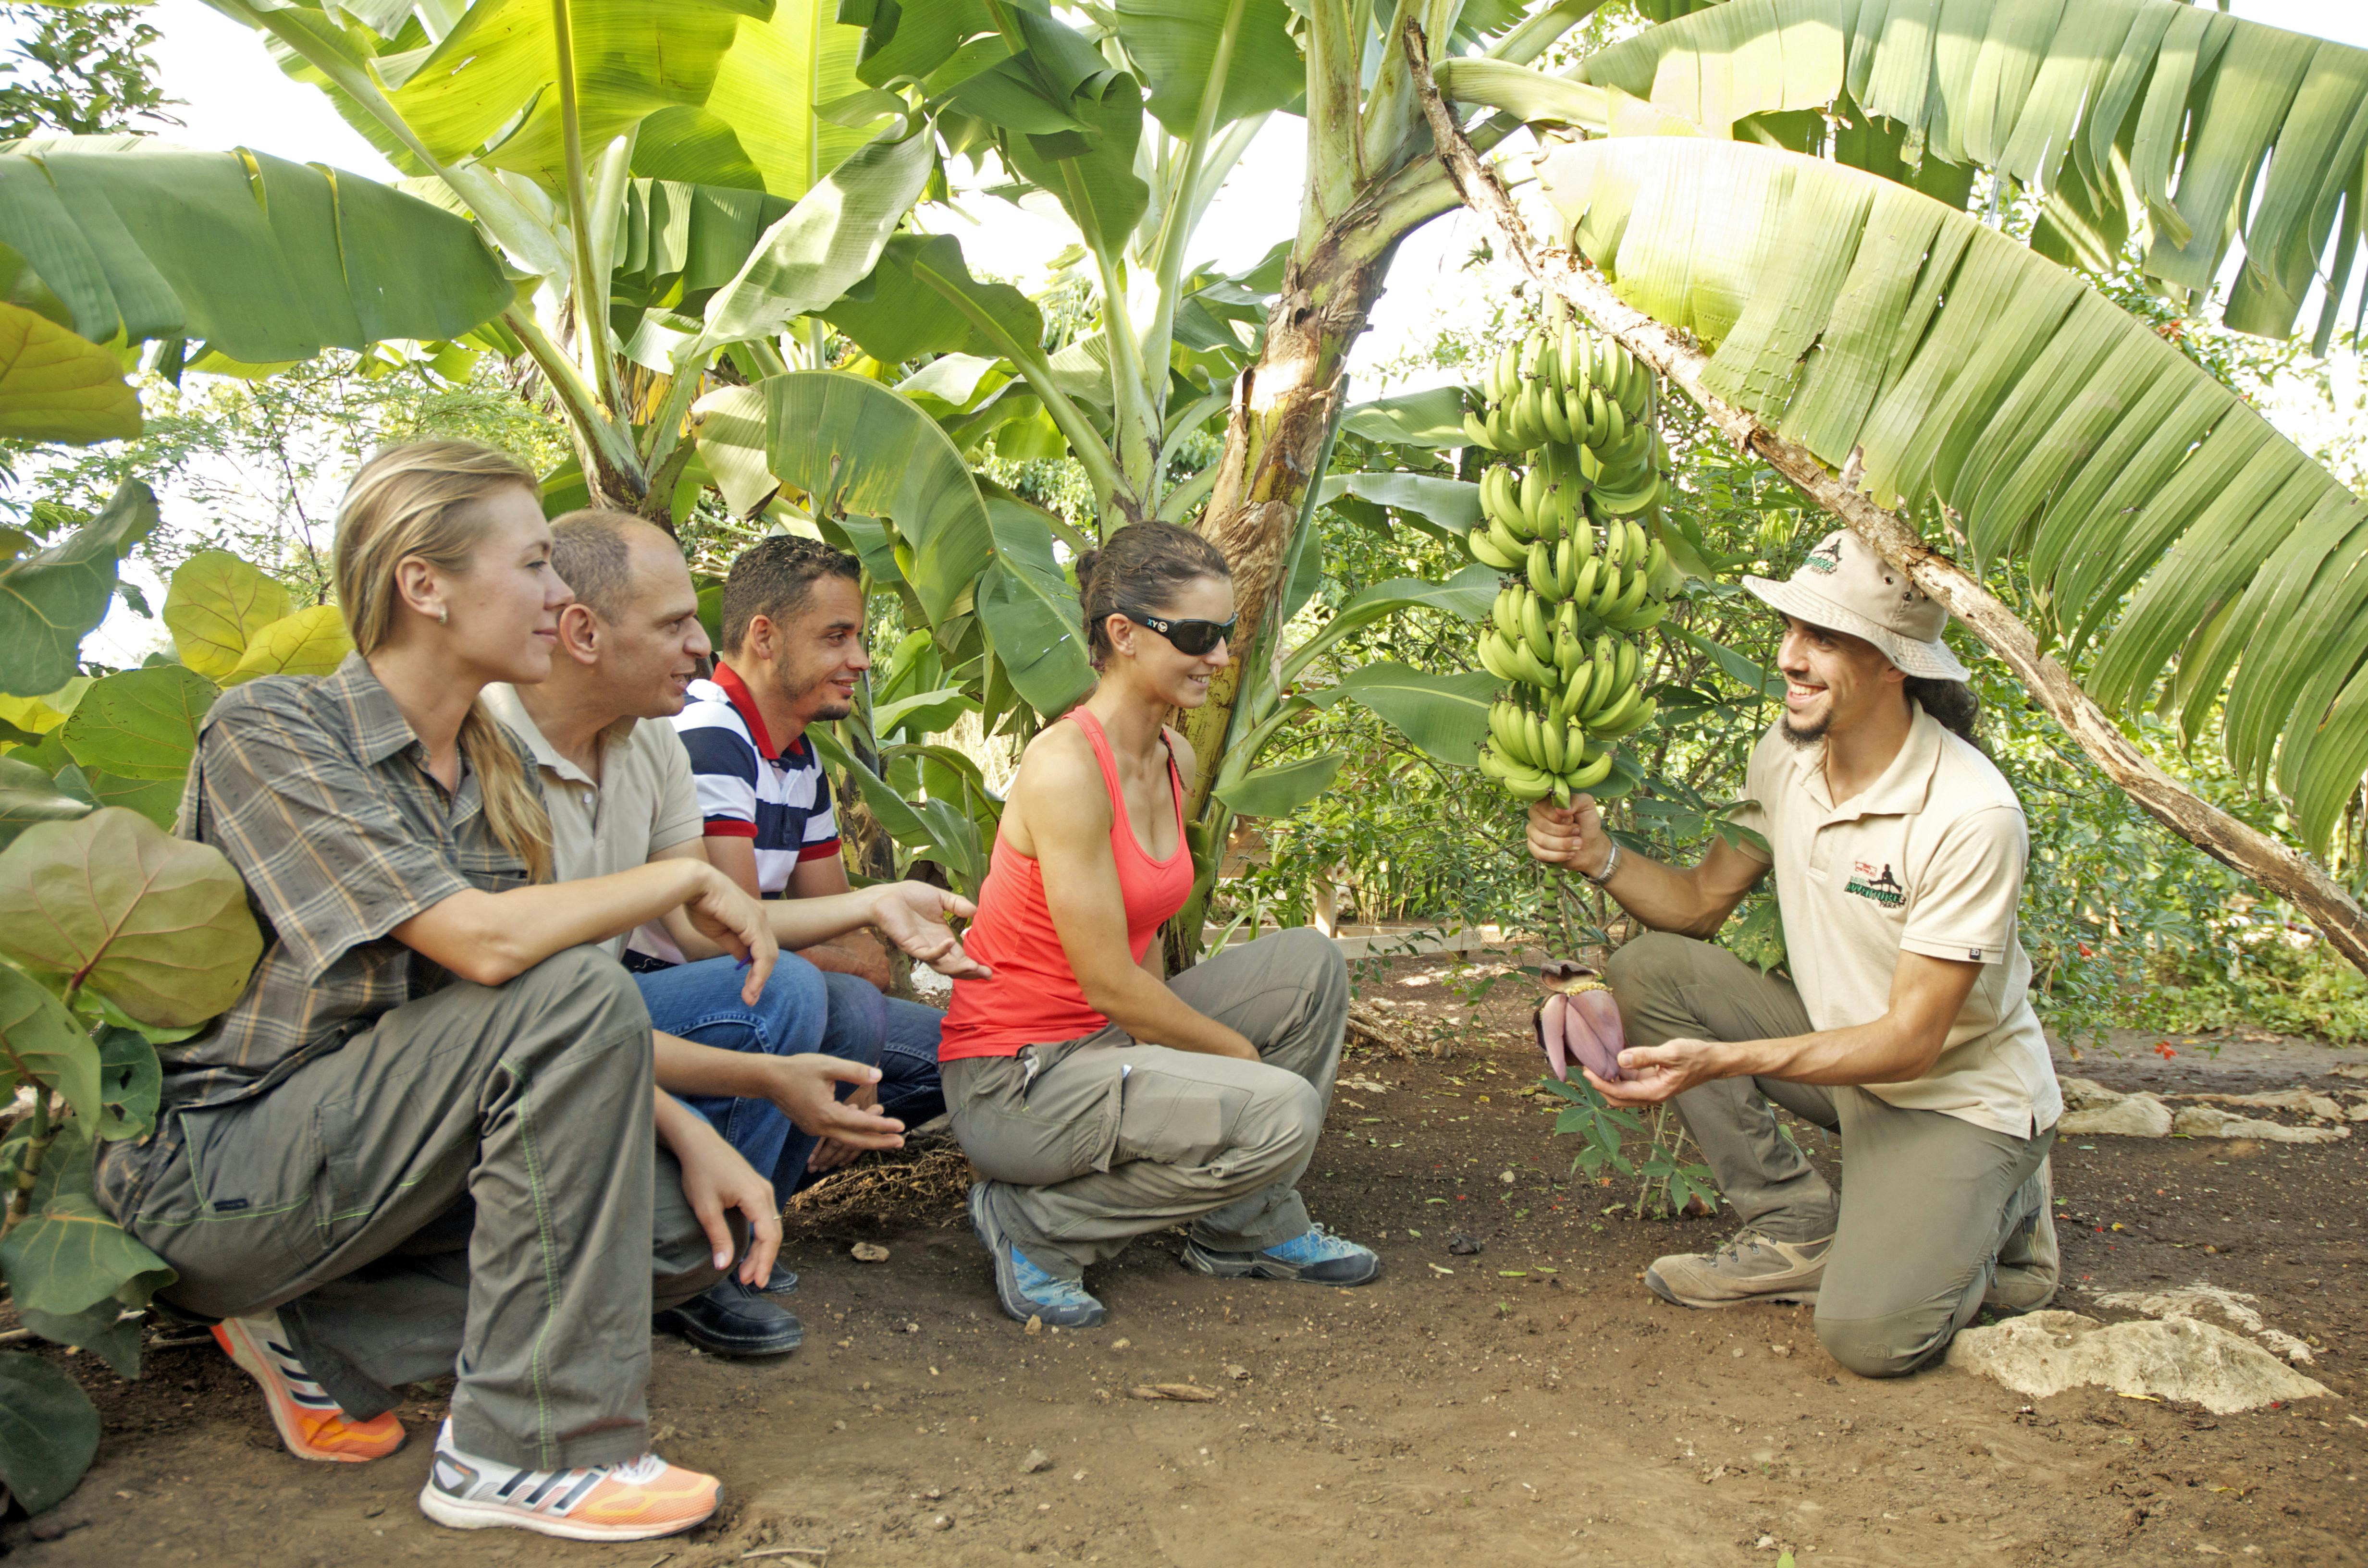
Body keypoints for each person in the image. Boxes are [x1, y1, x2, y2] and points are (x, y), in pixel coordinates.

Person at [94, 443, 788, 1543]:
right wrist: (677, 876)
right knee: (572, 996)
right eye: (536, 566)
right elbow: (490, 954)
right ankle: (519, 1450)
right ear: (425, 585)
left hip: (376, 1159)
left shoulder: (485, 774)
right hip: (220, 1176)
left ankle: (313, 1336)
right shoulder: (274, 732)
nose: (561, 598)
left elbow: (520, 1033)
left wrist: (695, 1138)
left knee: (667, 1236)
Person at [1527, 529, 2060, 1378]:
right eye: (1789, 630)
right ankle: (1793, 1223)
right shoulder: (1785, 756)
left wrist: (1722, 1061)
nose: (1791, 658)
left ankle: (2006, 1213)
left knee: (1871, 1339)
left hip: (1954, 1094)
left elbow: (1914, 1041)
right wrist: (1600, 856)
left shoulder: (1969, 813)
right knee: (1650, 971)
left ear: (1897, 663)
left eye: (1826, 638)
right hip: (1843, 1059)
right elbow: (1701, 905)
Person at [481, 509, 988, 1356]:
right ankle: (705, 1255)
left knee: (950, 1042)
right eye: (676, 623)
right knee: (800, 995)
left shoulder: (663, 745)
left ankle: (723, 1213)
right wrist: (847, 940)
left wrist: (872, 912)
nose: (695, 645)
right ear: (581, 632)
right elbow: (706, 935)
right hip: (571, 1018)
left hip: (602, 1012)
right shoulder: (696, 731)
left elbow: (706, 907)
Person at [937, 521, 1374, 1330]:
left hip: (1107, 1044)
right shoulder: (1067, 767)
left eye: (1227, 635)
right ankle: (1037, 1228)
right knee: (1278, 1109)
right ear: (1124, 635)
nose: (1219, 657)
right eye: (1201, 637)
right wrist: (1236, 1061)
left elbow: (1137, 972)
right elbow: (1108, 981)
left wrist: (1197, 1068)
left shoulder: (1173, 757)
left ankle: (1246, 1227)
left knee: (1312, 968)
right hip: (1019, 1082)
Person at [628, 534, 948, 1153]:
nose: (858, 659)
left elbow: (838, 923)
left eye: (857, 637)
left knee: (958, 1052)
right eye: (836, 637)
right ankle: (736, 1185)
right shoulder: (709, 731)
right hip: (689, 987)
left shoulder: (799, 756)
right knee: (838, 1001)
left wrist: (853, 957)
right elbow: (731, 932)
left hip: (758, 975)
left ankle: (804, 1144)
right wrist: (852, 963)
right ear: (765, 637)